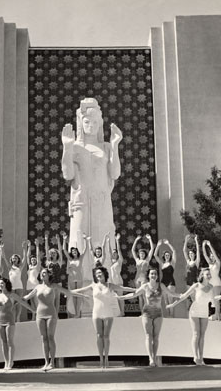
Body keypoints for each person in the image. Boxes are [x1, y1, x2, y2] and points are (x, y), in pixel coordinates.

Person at [61, 98, 123, 264]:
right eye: (87, 121)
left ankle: (104, 276)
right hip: (81, 200)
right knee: (79, 237)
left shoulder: (106, 147)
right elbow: (68, 175)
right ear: (81, 123)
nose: (92, 125)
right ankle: (81, 279)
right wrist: (66, 148)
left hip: (101, 199)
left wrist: (115, 145)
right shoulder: (75, 147)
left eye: (95, 122)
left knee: (103, 237)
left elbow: (115, 173)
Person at [24, 267, 86, 371]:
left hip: (51, 314)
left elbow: (69, 292)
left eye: (45, 273)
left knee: (50, 337)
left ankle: (52, 362)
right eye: (42, 273)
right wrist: (15, 298)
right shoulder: (37, 287)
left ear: (49, 275)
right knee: (43, 338)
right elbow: (26, 297)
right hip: (40, 314)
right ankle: (46, 362)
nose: (43, 274)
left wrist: (82, 295)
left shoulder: (54, 286)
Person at [72, 266, 135, 368]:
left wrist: (137, 290)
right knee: (99, 336)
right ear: (95, 276)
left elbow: (123, 288)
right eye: (97, 273)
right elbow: (80, 290)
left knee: (106, 336)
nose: (99, 275)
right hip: (96, 313)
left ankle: (106, 358)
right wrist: (69, 292)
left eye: (100, 273)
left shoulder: (110, 285)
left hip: (108, 313)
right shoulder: (93, 285)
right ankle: (101, 358)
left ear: (104, 274)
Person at [117, 267, 180, 366]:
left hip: (158, 313)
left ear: (157, 276)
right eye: (152, 274)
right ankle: (150, 358)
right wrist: (122, 297)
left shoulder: (161, 285)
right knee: (148, 336)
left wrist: (182, 295)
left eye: (155, 274)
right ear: (149, 276)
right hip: (147, 313)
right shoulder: (145, 286)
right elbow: (134, 294)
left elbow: (171, 293)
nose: (153, 275)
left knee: (156, 337)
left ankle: (154, 357)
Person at [167, 268, 214, 365]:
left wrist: (216, 310)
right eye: (207, 274)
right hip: (194, 311)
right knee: (196, 334)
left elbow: (213, 301)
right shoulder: (196, 285)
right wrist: (173, 305)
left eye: (209, 274)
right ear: (202, 275)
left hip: (205, 312)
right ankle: (195, 356)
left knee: (202, 335)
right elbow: (183, 296)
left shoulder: (211, 287)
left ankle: (201, 357)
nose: (209, 275)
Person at [0, 277, 35, 370]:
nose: (0, 285)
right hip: (0, 320)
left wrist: (33, 310)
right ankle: (6, 362)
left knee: (9, 341)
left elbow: (22, 302)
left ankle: (11, 362)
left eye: (2, 283)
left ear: (6, 284)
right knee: (3, 342)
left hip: (10, 320)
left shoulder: (12, 295)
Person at [0, 242, 27, 322]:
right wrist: (1, 249)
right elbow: (4, 257)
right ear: (11, 260)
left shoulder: (20, 267)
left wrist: (24, 248)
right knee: (12, 303)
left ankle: (17, 318)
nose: (14, 259)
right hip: (11, 287)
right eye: (13, 258)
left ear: (18, 259)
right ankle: (12, 318)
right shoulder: (9, 267)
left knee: (18, 303)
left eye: (16, 258)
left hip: (19, 286)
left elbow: (25, 258)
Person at [63, 233, 87, 317]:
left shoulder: (80, 258)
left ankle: (78, 312)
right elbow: (64, 250)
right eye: (73, 251)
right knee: (74, 295)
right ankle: (76, 313)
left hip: (79, 278)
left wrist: (85, 239)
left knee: (79, 295)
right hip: (71, 278)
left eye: (75, 251)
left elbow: (85, 249)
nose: (74, 252)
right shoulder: (70, 259)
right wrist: (64, 239)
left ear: (77, 252)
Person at [153, 239, 176, 317]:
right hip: (163, 282)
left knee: (170, 300)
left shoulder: (172, 263)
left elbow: (174, 251)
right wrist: (158, 245)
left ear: (170, 256)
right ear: (164, 256)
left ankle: (172, 316)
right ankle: (168, 317)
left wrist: (168, 243)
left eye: (168, 255)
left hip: (171, 283)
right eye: (166, 255)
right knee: (166, 301)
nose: (167, 256)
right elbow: (155, 255)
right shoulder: (162, 264)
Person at [131, 234, 154, 311]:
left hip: (144, 278)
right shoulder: (137, 260)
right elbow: (133, 250)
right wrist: (136, 240)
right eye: (140, 253)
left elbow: (152, 249)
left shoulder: (147, 260)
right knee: (139, 296)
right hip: (137, 279)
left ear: (145, 255)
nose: (142, 255)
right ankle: (141, 312)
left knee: (144, 295)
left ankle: (146, 312)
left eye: (143, 254)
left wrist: (150, 239)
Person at [44, 233, 64, 315]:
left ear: (56, 254)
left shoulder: (59, 262)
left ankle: (56, 314)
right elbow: (46, 249)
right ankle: (51, 313)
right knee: (51, 298)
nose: (53, 254)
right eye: (51, 253)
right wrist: (46, 239)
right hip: (50, 282)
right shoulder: (48, 262)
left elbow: (60, 250)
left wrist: (58, 240)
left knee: (57, 298)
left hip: (58, 282)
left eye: (54, 253)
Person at [203, 240, 221, 320]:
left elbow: (214, 254)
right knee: (212, 299)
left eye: (213, 256)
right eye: (211, 256)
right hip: (211, 284)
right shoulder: (210, 264)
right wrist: (203, 246)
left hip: (217, 283)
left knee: (216, 299)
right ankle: (215, 314)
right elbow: (205, 255)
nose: (212, 257)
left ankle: (218, 316)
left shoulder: (218, 263)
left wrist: (210, 245)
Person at [107, 233, 125, 316]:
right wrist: (108, 242)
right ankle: (118, 312)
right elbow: (109, 252)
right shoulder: (111, 262)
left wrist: (117, 240)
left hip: (119, 281)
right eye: (113, 253)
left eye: (115, 253)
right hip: (112, 282)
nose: (114, 254)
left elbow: (119, 250)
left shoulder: (119, 261)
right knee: (115, 298)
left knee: (120, 298)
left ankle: (122, 312)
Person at [26, 239, 41, 320]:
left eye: (34, 260)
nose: (33, 261)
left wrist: (37, 246)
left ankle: (39, 315)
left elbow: (38, 256)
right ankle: (33, 316)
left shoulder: (37, 267)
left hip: (35, 285)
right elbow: (27, 256)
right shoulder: (29, 267)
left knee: (36, 301)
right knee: (31, 302)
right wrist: (29, 246)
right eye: (32, 260)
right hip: (29, 285)